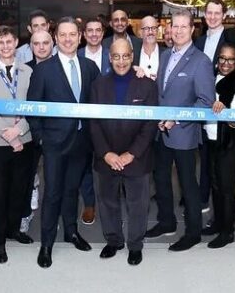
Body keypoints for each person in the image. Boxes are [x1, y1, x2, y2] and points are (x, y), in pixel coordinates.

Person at [27, 17, 100, 268]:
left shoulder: (90, 67)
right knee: (53, 193)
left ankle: (71, 232)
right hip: (54, 143)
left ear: (79, 37)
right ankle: (46, 243)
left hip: (82, 141)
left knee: (72, 191)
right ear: (56, 38)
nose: (68, 39)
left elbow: (99, 101)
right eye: (63, 35)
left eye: (72, 34)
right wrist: (40, 137)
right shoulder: (44, 70)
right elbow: (32, 106)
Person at [145, 9, 215, 252]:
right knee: (161, 179)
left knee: (187, 184)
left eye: (184, 26)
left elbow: (206, 101)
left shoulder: (201, 61)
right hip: (160, 131)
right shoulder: (165, 55)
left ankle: (193, 232)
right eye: (175, 26)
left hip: (183, 133)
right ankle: (167, 222)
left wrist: (176, 118)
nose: (178, 30)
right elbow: (161, 91)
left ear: (193, 29)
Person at [90, 38, 159, 266]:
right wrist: (106, 153)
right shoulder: (98, 85)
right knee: (108, 202)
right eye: (116, 57)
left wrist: (131, 154)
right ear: (110, 58)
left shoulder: (147, 85)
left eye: (126, 56)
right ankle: (114, 241)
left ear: (132, 56)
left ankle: (135, 245)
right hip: (106, 157)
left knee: (137, 204)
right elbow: (93, 123)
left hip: (136, 158)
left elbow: (150, 125)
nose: (121, 61)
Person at [0, 26, 35, 264]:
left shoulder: (29, 72)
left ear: (16, 43)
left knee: (19, 190)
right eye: (0, 43)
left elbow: (36, 107)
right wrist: (9, 135)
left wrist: (19, 131)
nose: (5, 47)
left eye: (9, 42)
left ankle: (14, 230)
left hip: (25, 140)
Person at [194, 0, 235, 213]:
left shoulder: (232, 39)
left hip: (226, 105)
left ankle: (224, 209)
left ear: (224, 15)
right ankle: (203, 199)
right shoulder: (199, 41)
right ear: (205, 15)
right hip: (204, 105)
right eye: (209, 13)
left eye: (217, 13)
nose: (212, 17)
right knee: (205, 156)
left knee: (223, 162)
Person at [204, 43, 235, 248]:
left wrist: (225, 110)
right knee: (215, 184)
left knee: (226, 187)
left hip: (230, 142)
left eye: (230, 60)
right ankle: (217, 223)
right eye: (222, 59)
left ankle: (227, 232)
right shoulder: (210, 80)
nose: (225, 63)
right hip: (212, 139)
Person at [17, 29, 54, 236]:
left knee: (54, 180)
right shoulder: (22, 70)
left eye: (45, 43)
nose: (41, 47)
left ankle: (51, 218)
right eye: (36, 43)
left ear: (52, 44)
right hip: (28, 133)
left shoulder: (61, 68)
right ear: (30, 47)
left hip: (55, 134)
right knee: (26, 177)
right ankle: (25, 215)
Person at [76, 17, 111, 225]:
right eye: (90, 31)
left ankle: (109, 206)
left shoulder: (113, 55)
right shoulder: (76, 56)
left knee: (107, 164)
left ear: (103, 32)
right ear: (84, 34)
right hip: (82, 121)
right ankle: (89, 204)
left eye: (98, 30)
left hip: (108, 121)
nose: (94, 34)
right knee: (84, 165)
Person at [135, 15, 166, 81]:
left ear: (157, 31)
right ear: (140, 32)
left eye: (154, 28)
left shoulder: (166, 54)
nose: (150, 32)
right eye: (146, 28)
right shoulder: (133, 54)